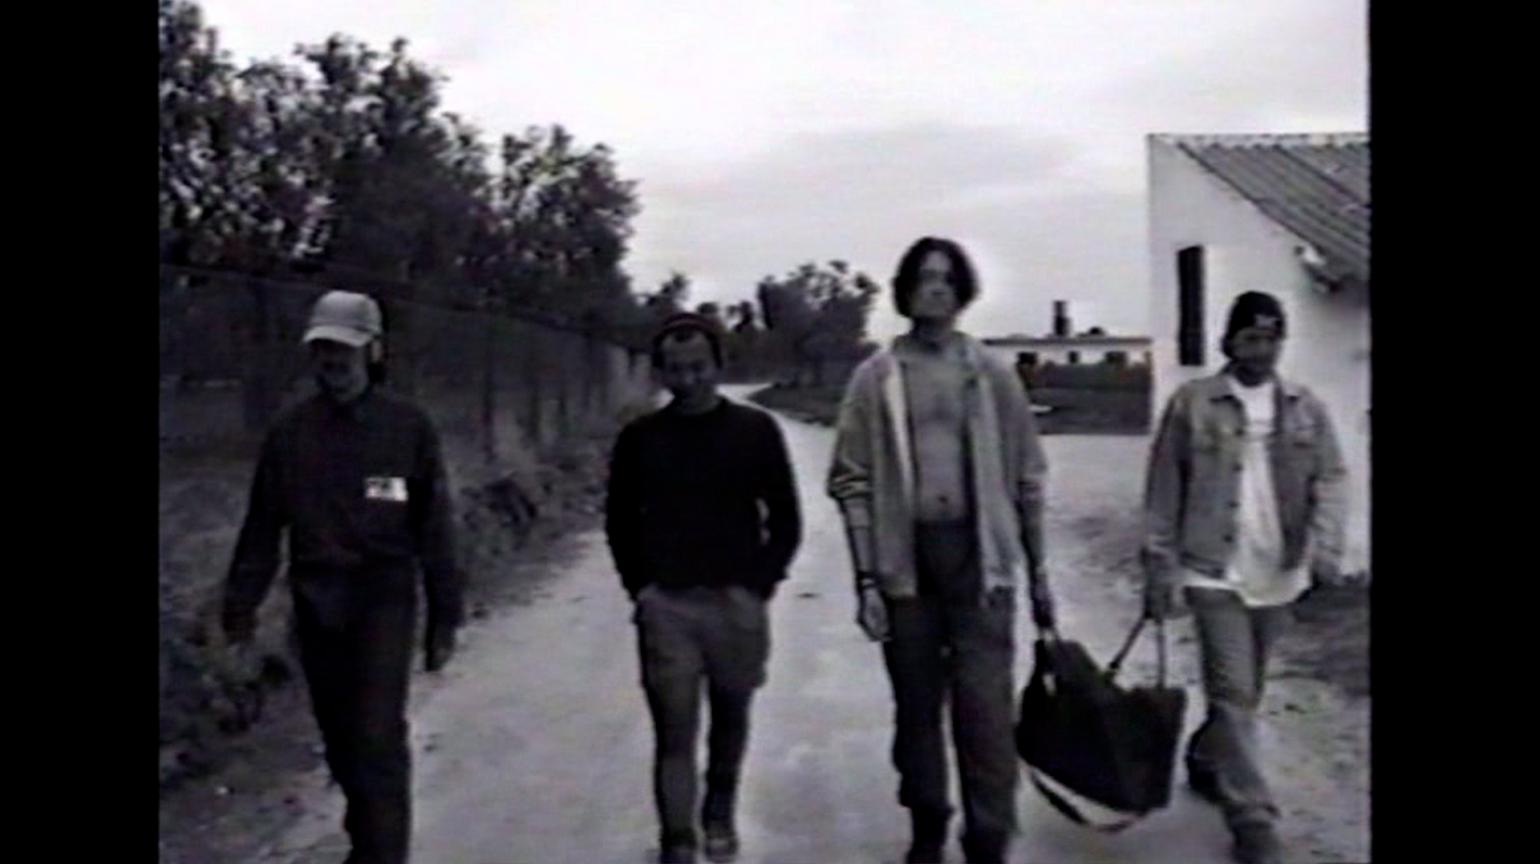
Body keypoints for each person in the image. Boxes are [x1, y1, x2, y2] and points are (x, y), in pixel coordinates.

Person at [827, 237, 1055, 864]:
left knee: (986, 709)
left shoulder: (991, 374)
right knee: (917, 708)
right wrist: (867, 580)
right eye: (924, 278)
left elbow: (1028, 476)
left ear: (962, 290)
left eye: (947, 279)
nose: (936, 288)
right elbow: (851, 481)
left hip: (980, 563)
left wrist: (1037, 572)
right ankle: (927, 820)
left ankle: (989, 835)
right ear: (905, 290)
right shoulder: (876, 379)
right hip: (906, 563)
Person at [222, 290, 462, 864]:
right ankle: (367, 842)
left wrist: (444, 615)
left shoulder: (407, 428)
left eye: (346, 350)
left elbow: (434, 525)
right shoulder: (290, 433)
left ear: (374, 351)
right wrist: (240, 607)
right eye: (324, 350)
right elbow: (262, 525)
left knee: (377, 736)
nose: (334, 362)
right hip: (317, 600)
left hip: (383, 598)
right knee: (340, 737)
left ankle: (384, 854)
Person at [1142, 290, 1349, 864]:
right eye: (1251, 338)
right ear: (1229, 342)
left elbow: (1332, 476)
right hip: (1211, 569)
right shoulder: (1193, 403)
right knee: (1232, 692)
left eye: (1272, 338)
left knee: (1246, 692)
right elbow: (1164, 490)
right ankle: (1253, 819)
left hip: (1277, 570)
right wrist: (1159, 566)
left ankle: (1206, 757)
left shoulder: (1304, 406)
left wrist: (1326, 548)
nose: (1262, 350)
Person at [605, 313, 803, 864]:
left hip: (736, 603)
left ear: (718, 366)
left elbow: (785, 516)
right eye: (675, 369)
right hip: (668, 606)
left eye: (698, 367)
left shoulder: (755, 431)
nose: (688, 379)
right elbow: (619, 521)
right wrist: (641, 589)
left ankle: (718, 814)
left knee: (731, 718)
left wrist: (760, 584)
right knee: (674, 729)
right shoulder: (640, 439)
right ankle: (678, 839)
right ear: (661, 372)